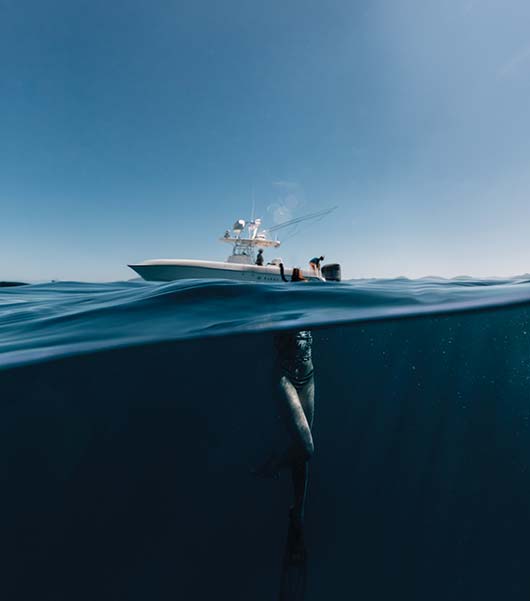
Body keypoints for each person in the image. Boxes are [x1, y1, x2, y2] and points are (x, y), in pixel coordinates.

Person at [254, 266, 313, 563]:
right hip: (284, 377)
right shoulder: (280, 305)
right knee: (307, 447)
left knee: (304, 456)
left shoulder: (310, 305)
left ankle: (297, 517)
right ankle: (272, 464)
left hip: (309, 377)